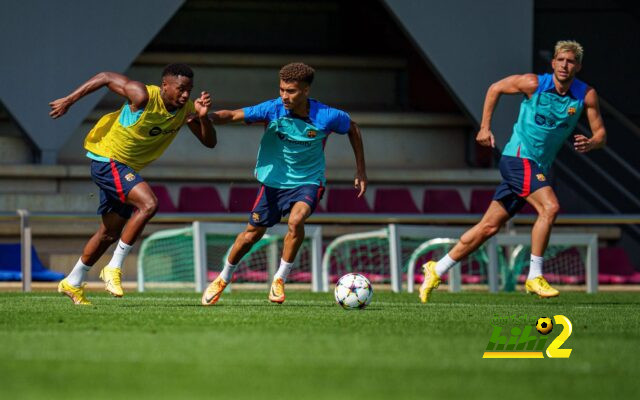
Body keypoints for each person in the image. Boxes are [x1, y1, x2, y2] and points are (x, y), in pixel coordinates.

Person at [420, 40, 606, 302]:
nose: (565, 65)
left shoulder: (585, 95)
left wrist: (593, 142)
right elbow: (495, 88)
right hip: (518, 158)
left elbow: (601, 134)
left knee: (488, 227)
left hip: (538, 166)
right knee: (550, 207)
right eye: (561, 60)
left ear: (578, 66)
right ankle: (534, 276)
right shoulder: (533, 84)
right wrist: (484, 127)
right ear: (553, 63)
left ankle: (436, 269)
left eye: (571, 61)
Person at [202, 62, 367, 306]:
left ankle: (279, 278)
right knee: (250, 236)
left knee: (296, 220)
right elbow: (234, 115)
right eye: (281, 89)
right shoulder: (273, 109)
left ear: (306, 91)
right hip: (274, 182)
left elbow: (352, 128)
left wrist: (361, 171)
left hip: (309, 181)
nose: (284, 96)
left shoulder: (327, 116)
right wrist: (206, 116)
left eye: (291, 91)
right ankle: (223, 278)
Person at [49, 64, 216, 305]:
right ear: (164, 86)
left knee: (109, 232)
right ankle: (114, 267)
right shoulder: (142, 95)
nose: (186, 95)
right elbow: (105, 76)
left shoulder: (187, 110)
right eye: (180, 89)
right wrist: (69, 100)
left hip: (125, 168)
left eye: (189, 90)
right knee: (149, 204)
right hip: (108, 159)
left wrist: (203, 119)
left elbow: (209, 143)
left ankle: (72, 281)